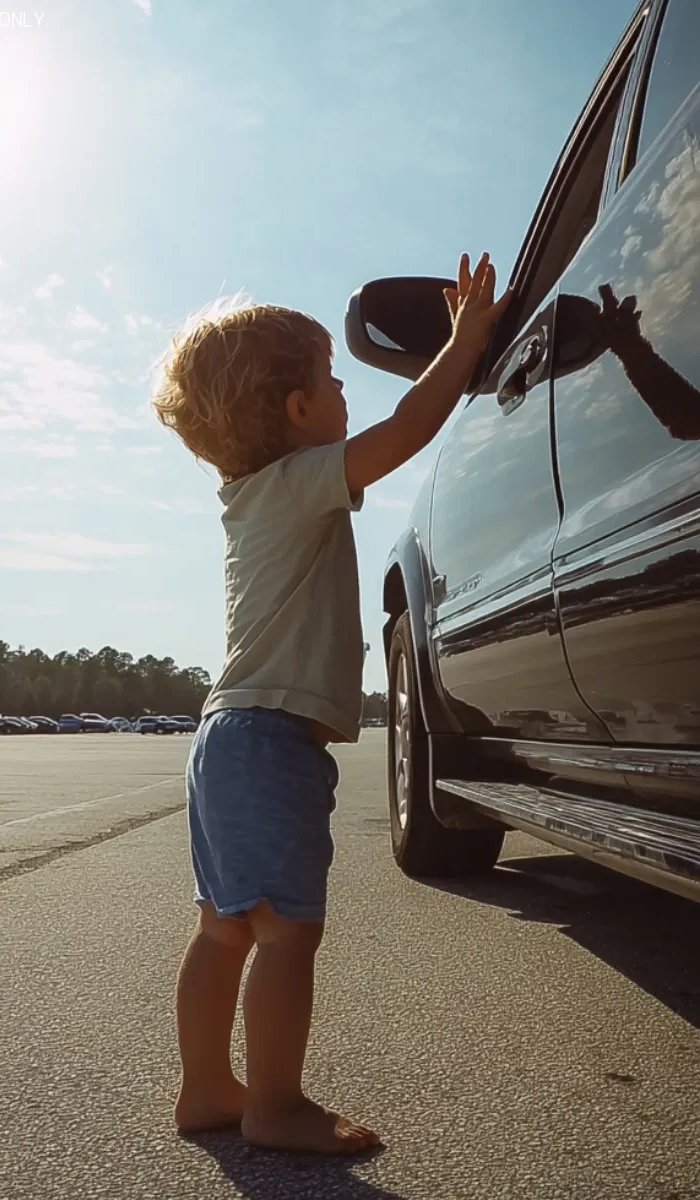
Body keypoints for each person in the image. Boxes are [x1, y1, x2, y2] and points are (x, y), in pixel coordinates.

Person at [151, 252, 510, 1155]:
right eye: (331, 379)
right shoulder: (302, 478)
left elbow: (376, 434)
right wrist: (465, 344)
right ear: (296, 412)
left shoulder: (255, 494)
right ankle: (274, 1104)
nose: (345, 392)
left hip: (226, 737)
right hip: (267, 740)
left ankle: (206, 1089)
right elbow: (408, 428)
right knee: (285, 937)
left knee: (224, 928)